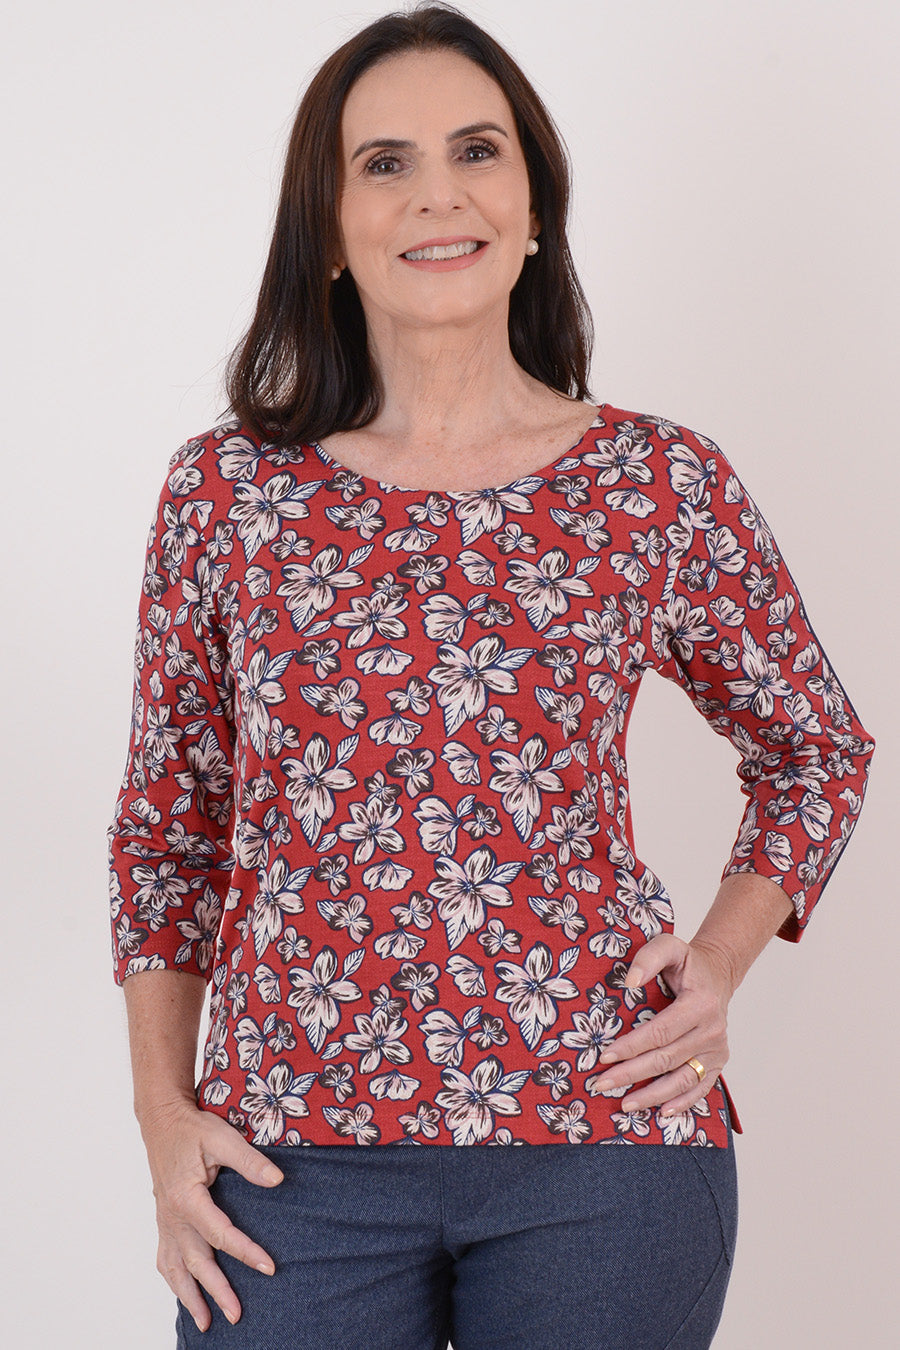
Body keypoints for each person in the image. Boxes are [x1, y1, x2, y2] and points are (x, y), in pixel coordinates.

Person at [107, 4, 875, 1346]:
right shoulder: (225, 494)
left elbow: (817, 747)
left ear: (533, 210)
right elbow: (168, 830)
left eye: (477, 151)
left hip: (603, 1136)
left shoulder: (655, 482)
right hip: (290, 1158)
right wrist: (163, 1119)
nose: (438, 195)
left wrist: (718, 960)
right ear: (328, 227)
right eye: (384, 163)